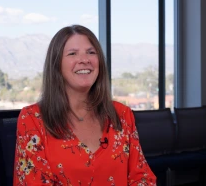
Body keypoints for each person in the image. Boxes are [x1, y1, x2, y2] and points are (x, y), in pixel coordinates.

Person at [13, 25, 156, 186]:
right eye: (72, 53)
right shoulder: (32, 119)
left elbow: (142, 177)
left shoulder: (122, 115)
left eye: (91, 52)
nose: (84, 59)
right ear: (56, 65)